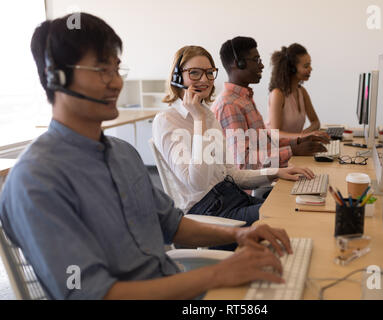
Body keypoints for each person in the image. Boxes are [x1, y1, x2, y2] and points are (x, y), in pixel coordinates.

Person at [0, 13, 294, 300]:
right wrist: (217, 274)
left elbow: (172, 225)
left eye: (116, 69)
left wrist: (239, 236)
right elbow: (91, 293)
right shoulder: (36, 180)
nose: (116, 82)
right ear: (57, 77)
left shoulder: (123, 154)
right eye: (101, 70)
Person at [153, 45, 316, 227]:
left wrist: (276, 172)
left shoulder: (208, 115)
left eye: (209, 73)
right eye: (194, 73)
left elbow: (232, 174)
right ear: (177, 78)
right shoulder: (167, 120)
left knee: (296, 207)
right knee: (287, 217)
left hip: (231, 197)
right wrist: (199, 120)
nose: (204, 79)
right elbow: (197, 183)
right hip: (208, 211)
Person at [211, 37, 328, 171]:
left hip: (267, 176)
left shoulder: (244, 98)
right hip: (253, 188)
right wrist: (292, 150)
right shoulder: (229, 105)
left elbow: (264, 143)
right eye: (256, 60)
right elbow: (244, 163)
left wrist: (298, 141)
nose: (261, 65)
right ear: (239, 63)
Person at [267, 43, 328, 141]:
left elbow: (315, 122)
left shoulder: (301, 92)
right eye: (306, 66)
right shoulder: (277, 94)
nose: (310, 69)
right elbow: (275, 134)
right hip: (275, 148)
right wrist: (302, 136)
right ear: (292, 69)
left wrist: (304, 135)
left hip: (294, 146)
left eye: (310, 65)